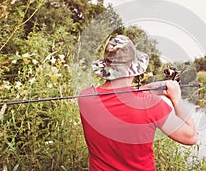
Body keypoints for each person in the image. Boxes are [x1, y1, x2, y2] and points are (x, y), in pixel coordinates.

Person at [78, 35, 198, 170]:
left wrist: (150, 89)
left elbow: (121, 96)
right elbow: (191, 137)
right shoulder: (152, 105)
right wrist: (176, 98)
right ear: (134, 68)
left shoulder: (85, 97)